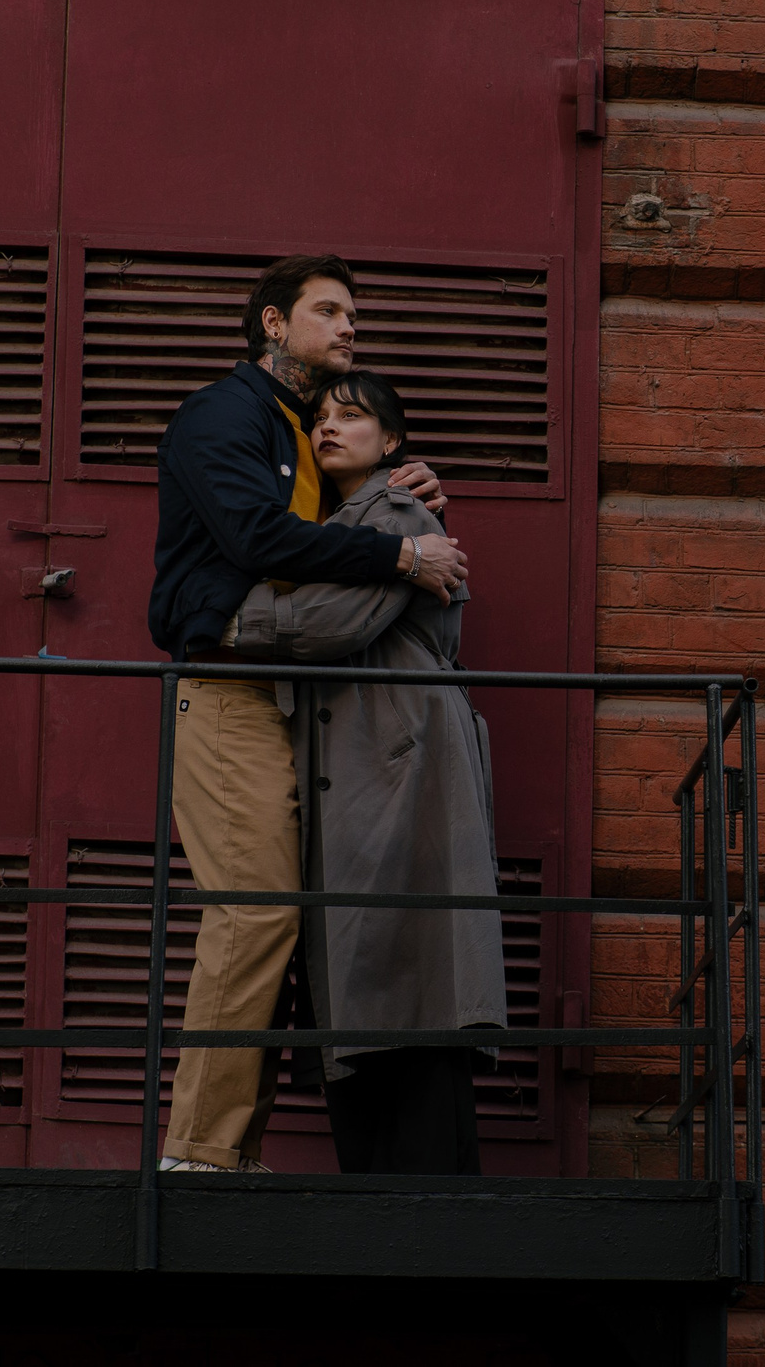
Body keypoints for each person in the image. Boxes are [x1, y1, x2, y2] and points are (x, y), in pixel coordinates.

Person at [147, 254, 469, 1174]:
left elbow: (329, 530)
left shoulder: (301, 431)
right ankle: (200, 1155)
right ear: (274, 326)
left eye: (355, 314)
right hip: (226, 688)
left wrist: (402, 493)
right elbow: (254, 535)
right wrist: (401, 557)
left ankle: (232, 1158)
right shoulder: (224, 414)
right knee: (254, 913)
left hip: (291, 702)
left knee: (284, 921)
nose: (349, 327)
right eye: (328, 311)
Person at [226, 368, 506, 1175]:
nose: (328, 425)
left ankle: (422, 1201)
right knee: (370, 970)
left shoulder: (401, 510)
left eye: (352, 416)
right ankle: (387, 1189)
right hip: (364, 757)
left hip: (403, 755)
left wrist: (232, 617)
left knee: (409, 970)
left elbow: (334, 623)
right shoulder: (336, 522)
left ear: (392, 443)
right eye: (319, 416)